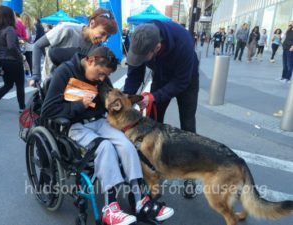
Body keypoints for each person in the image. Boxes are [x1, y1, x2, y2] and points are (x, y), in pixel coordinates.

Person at [41, 46, 174, 225]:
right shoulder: (65, 72)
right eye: (101, 74)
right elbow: (48, 110)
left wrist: (127, 103)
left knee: (127, 144)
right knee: (104, 147)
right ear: (90, 60)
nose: (102, 79)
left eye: (105, 75)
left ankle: (141, 200)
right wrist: (79, 105)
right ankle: (110, 208)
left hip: (101, 122)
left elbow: (110, 102)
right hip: (75, 126)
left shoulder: (100, 78)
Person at [124, 21, 199, 198]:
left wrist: (154, 96)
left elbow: (181, 82)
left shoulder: (183, 42)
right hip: (161, 76)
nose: (140, 60)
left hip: (186, 79)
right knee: (152, 124)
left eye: (144, 57)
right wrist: (127, 97)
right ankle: (152, 167)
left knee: (187, 124)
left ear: (157, 47)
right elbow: (134, 75)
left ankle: (191, 173)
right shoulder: (141, 38)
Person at [29, 8, 118, 86]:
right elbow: (37, 45)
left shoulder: (96, 46)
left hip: (72, 85)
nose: (103, 40)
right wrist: (36, 75)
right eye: (102, 33)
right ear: (92, 23)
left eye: (107, 36)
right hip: (51, 80)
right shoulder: (66, 29)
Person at [0, 6, 24, 117]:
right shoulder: (9, 29)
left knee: (8, 85)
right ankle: (22, 108)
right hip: (14, 61)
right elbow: (11, 46)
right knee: (19, 85)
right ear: (9, 16)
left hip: (3, 61)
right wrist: (21, 57)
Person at [21, 13, 36, 78]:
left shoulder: (32, 28)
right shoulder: (21, 27)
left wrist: (25, 38)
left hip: (29, 47)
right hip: (23, 47)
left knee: (30, 61)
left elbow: (32, 39)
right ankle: (27, 72)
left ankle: (33, 76)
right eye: (24, 20)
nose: (25, 21)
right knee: (24, 61)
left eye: (26, 19)